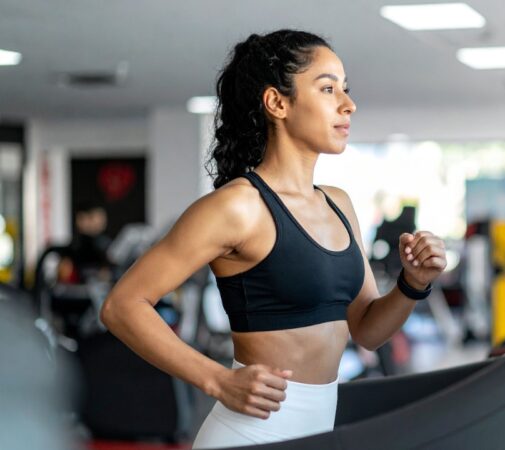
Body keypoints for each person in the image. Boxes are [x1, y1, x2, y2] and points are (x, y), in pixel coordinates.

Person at [100, 29, 447, 448]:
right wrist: (216, 379)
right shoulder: (238, 207)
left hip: (318, 431)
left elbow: (368, 330)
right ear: (277, 103)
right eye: (328, 88)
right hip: (250, 433)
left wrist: (413, 283)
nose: (348, 104)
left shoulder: (338, 204)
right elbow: (122, 306)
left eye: (346, 89)